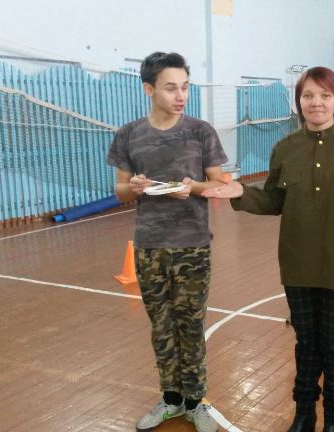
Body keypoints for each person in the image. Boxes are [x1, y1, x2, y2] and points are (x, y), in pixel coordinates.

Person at [202, 66, 334, 432]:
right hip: (297, 263)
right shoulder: (285, 149)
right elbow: (274, 200)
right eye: (308, 95)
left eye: (325, 95)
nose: (316, 103)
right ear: (299, 101)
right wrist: (241, 193)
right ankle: (304, 413)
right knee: (306, 341)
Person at [106, 51, 228, 432]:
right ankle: (171, 398)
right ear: (149, 89)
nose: (181, 96)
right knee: (161, 326)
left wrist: (193, 188)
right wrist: (135, 187)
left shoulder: (200, 131)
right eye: (171, 88)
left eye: (185, 87)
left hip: (192, 246)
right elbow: (120, 192)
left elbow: (220, 184)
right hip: (149, 247)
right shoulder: (129, 135)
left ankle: (196, 402)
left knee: (190, 326)